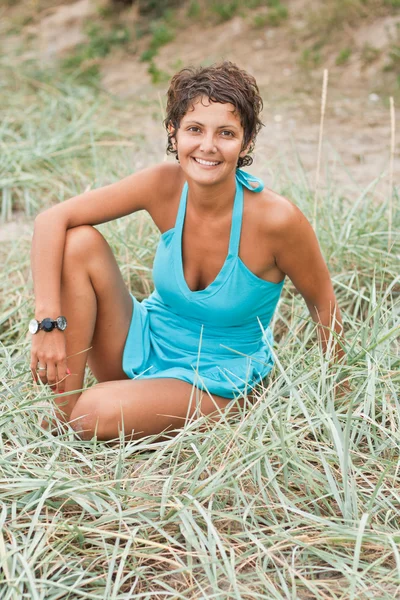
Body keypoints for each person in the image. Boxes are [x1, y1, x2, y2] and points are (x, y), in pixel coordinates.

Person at [30, 61, 345, 441]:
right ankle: (62, 415)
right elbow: (52, 219)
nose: (208, 146)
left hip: (220, 377)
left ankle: (82, 417)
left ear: (245, 143)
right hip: (146, 343)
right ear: (173, 133)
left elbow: (323, 303)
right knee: (78, 242)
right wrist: (48, 324)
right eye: (195, 129)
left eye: (226, 133)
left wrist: (337, 405)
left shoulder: (277, 221)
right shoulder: (163, 185)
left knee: (92, 415)